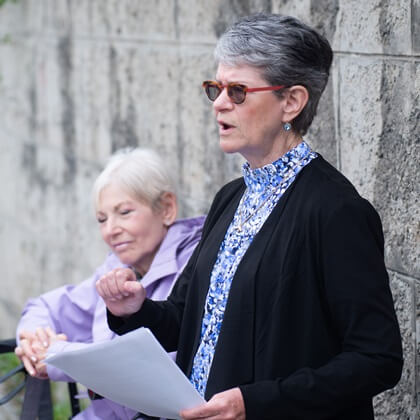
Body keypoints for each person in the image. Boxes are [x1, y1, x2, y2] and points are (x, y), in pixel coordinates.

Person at [96, 14, 403, 420]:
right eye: (216, 88)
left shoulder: (336, 211)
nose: (220, 102)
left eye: (238, 91)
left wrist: (257, 403)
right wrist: (133, 308)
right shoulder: (230, 198)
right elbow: (184, 321)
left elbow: (377, 358)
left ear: (291, 102)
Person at [15, 148, 205, 420]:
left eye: (124, 212)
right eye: (102, 219)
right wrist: (35, 340)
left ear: (166, 208)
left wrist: (55, 355)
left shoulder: (197, 264)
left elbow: (150, 372)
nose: (110, 230)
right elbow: (45, 306)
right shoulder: (116, 267)